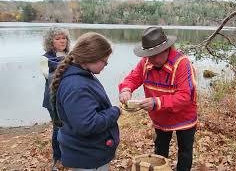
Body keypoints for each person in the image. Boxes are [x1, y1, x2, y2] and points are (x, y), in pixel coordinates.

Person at [118, 27, 197, 171]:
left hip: (184, 117)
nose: (153, 59)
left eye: (156, 55)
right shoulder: (145, 62)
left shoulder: (182, 64)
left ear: (167, 49)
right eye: (150, 55)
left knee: (185, 152)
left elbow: (185, 96)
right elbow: (133, 77)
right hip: (160, 118)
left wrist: (157, 102)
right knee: (160, 151)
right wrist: (126, 89)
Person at [50, 32, 121, 170]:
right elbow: (87, 125)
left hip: (87, 151)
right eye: (105, 61)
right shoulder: (76, 86)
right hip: (88, 157)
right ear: (91, 58)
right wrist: (115, 111)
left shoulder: (82, 73)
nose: (106, 64)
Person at [40, 26, 70, 170]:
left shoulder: (72, 55)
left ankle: (70, 155)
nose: (62, 41)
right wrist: (65, 63)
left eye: (64, 38)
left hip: (69, 98)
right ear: (51, 42)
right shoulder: (43, 59)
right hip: (53, 99)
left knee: (70, 126)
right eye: (58, 38)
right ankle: (57, 159)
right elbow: (47, 75)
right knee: (58, 128)